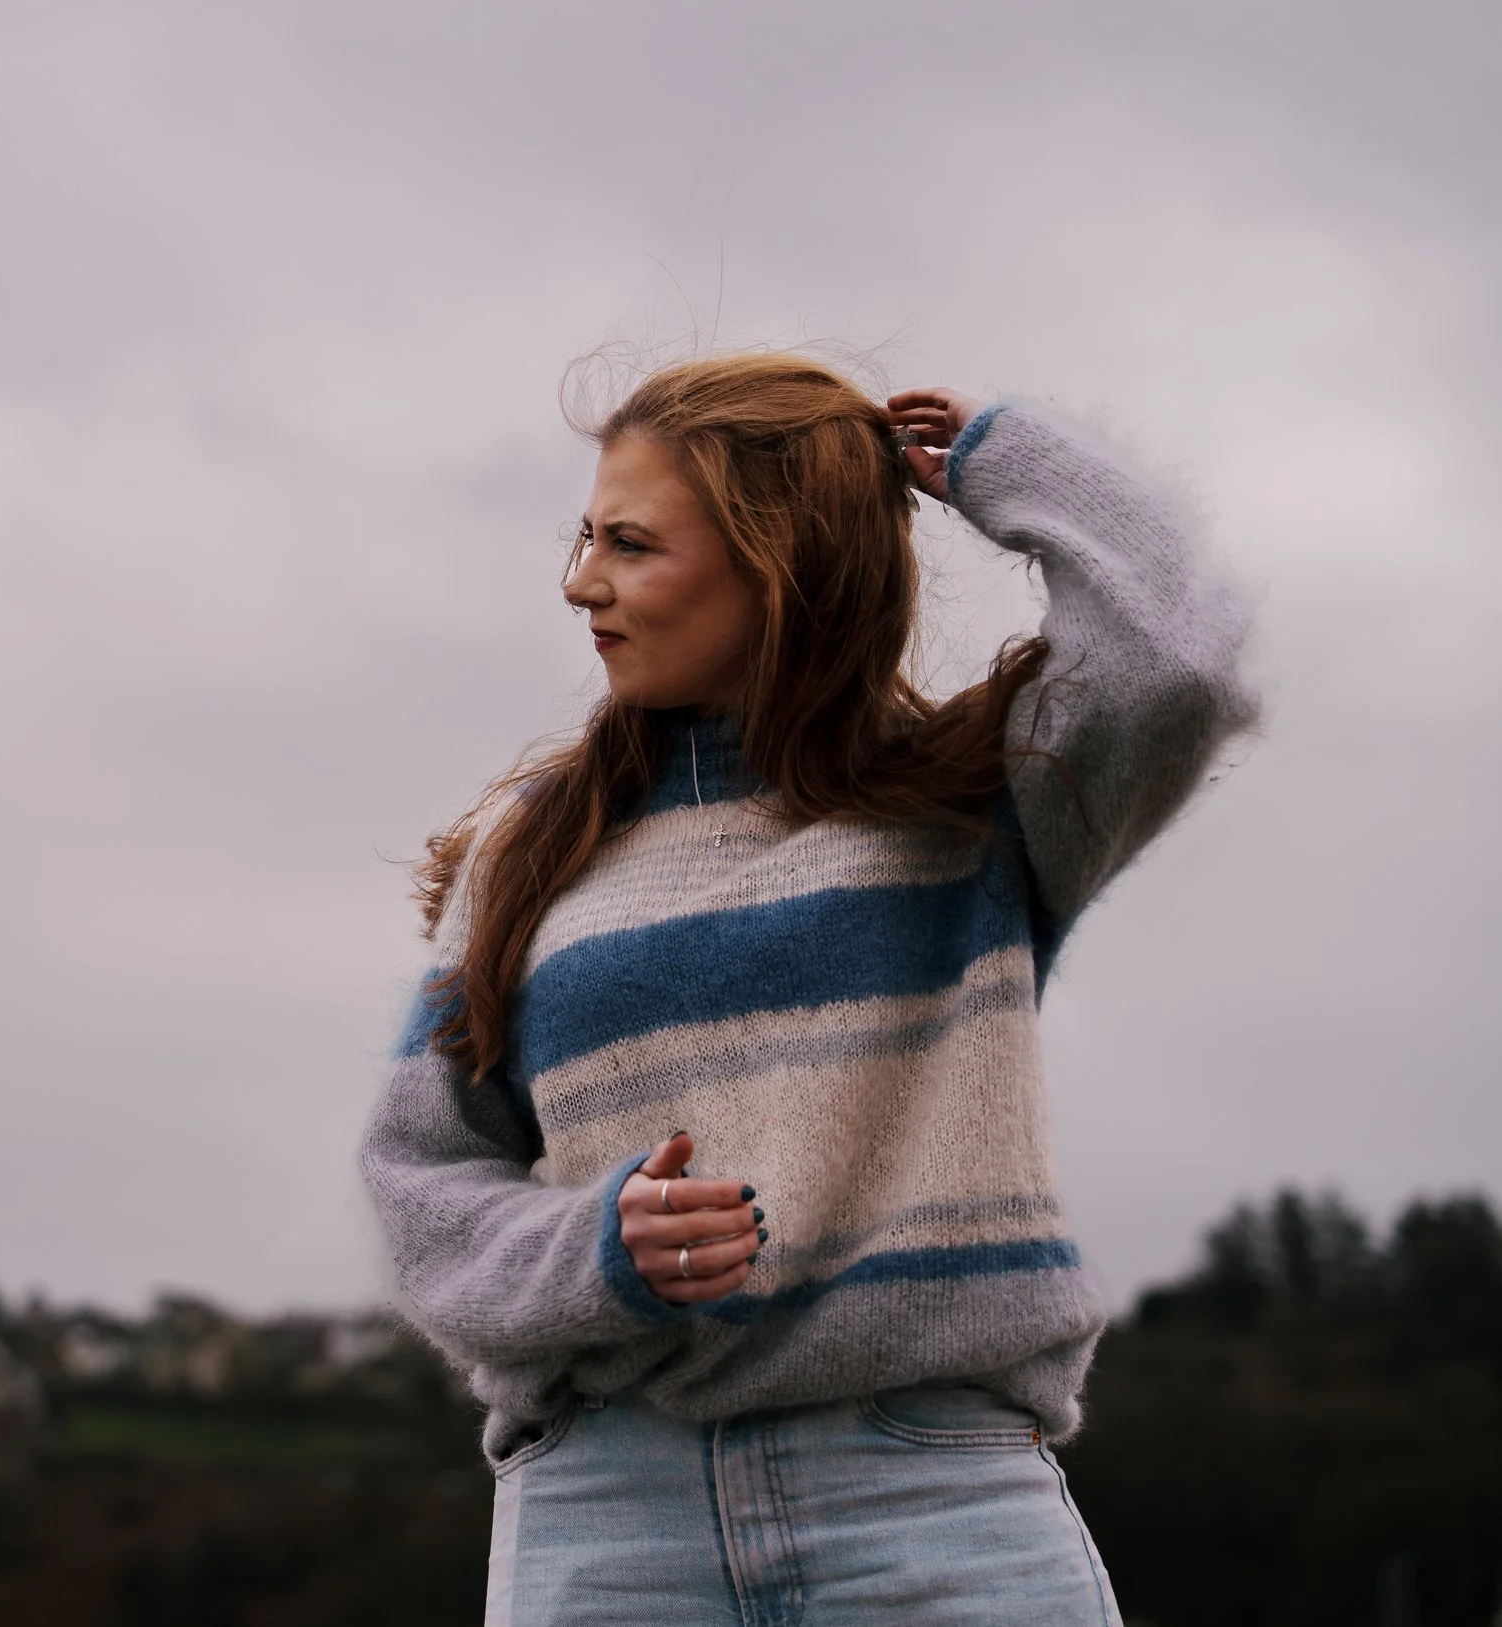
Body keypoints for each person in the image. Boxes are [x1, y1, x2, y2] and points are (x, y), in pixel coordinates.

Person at [360, 351, 1255, 1625]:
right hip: (614, 1516)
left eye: (629, 543)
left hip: (932, 1501)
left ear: (775, 560)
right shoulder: (531, 850)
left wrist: (1014, 463)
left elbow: (1177, 667)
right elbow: (420, 1182)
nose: (580, 583)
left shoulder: (977, 806)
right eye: (582, 537)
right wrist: (592, 1248)